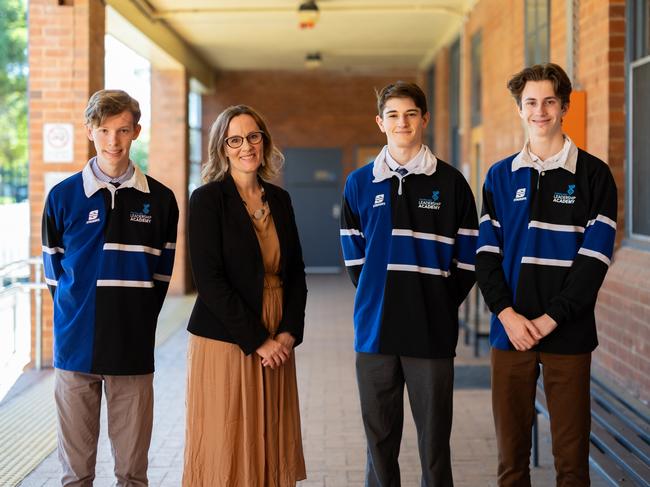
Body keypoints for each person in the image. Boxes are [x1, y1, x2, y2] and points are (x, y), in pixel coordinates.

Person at [476, 63, 617, 486]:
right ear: (520, 109)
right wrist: (506, 315)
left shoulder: (594, 175)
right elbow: (486, 255)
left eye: (549, 102)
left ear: (564, 107)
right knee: (511, 461)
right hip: (510, 333)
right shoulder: (500, 176)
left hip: (568, 334)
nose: (541, 111)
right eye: (531, 102)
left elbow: (594, 261)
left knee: (571, 461)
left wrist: (550, 318)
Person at [340, 81, 478, 486]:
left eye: (411, 114)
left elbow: (467, 260)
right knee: (379, 443)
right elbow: (355, 260)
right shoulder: (358, 183)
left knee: (434, 446)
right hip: (375, 334)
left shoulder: (451, 183)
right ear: (380, 122)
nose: (403, 123)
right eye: (394, 115)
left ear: (425, 119)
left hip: (431, 334)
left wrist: (434, 301)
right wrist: (378, 298)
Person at [41, 89, 179, 486]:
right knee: (76, 474)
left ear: (137, 131)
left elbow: (161, 277)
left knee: (132, 474)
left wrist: (131, 318)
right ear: (89, 132)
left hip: (132, 350)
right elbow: (55, 274)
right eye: (103, 130)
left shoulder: (162, 200)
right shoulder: (63, 196)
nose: (113, 141)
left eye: (122, 130)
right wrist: (79, 313)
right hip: (75, 351)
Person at [183, 105, 307, 487]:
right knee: (229, 439)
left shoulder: (280, 199)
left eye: (253, 137)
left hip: (277, 331)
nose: (246, 147)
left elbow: (297, 273)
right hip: (228, 336)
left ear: (264, 142)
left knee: (270, 433)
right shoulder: (207, 200)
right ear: (222, 149)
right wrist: (259, 341)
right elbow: (210, 281)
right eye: (234, 140)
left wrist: (287, 333)